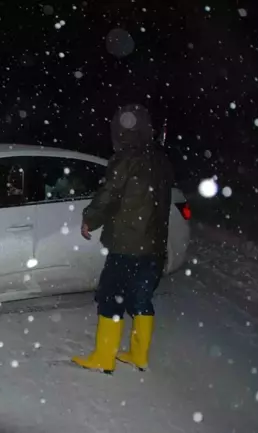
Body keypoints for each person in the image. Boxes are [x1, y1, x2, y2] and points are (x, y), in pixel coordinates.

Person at [71, 103, 174, 374]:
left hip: (126, 244)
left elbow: (109, 194)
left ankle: (104, 357)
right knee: (141, 299)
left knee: (111, 296)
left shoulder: (126, 158)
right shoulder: (161, 159)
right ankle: (139, 355)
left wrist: (90, 218)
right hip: (153, 245)